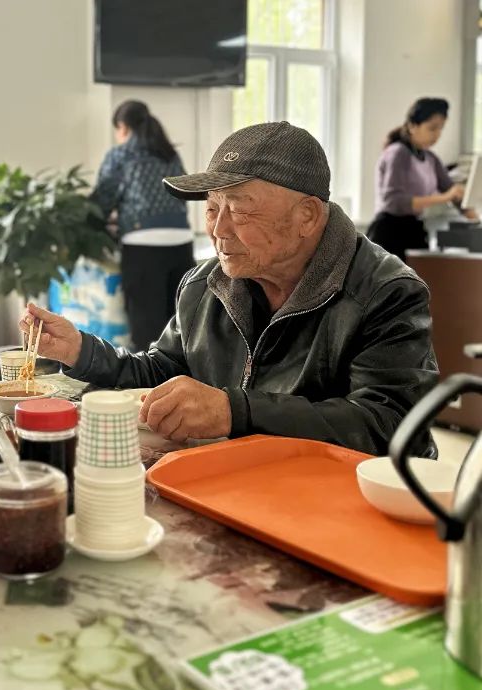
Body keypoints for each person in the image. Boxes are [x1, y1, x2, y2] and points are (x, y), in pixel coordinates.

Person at [23, 121, 438, 457]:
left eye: (239, 210)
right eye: (211, 209)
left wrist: (234, 411)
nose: (219, 230)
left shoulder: (386, 292)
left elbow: (389, 425)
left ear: (308, 216)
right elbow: (163, 373)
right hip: (235, 486)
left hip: (344, 505)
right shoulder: (204, 284)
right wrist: (81, 351)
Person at [90, 100, 194, 351]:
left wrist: (92, 224)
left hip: (143, 248)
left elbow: (101, 202)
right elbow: (181, 195)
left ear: (123, 127)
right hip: (181, 243)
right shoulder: (169, 153)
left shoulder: (120, 155)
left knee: (148, 333)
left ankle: (149, 379)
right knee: (181, 326)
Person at [368, 97, 474, 261]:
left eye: (441, 129)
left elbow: (453, 191)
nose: (437, 135)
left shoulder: (431, 158)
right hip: (390, 233)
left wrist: (472, 215)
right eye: (432, 128)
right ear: (413, 126)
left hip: (414, 230)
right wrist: (445, 197)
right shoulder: (398, 153)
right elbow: (395, 202)